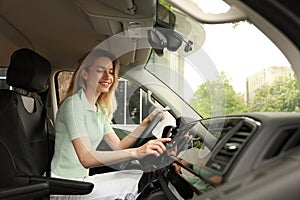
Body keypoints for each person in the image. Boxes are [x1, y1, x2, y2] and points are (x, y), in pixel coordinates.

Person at [50, 49, 171, 199]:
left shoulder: (98, 110)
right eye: (100, 71)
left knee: (137, 175)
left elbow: (118, 146)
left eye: (111, 72)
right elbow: (86, 158)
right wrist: (137, 152)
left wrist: (145, 124)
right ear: (85, 74)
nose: (108, 77)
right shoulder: (74, 105)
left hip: (81, 181)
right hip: (64, 186)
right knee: (136, 185)